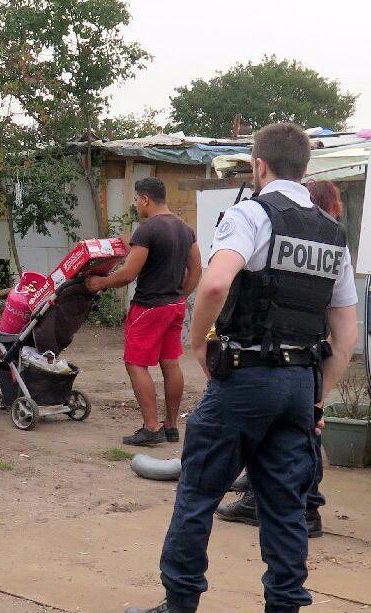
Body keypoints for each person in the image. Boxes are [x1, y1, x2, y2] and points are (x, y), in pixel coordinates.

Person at [127, 123, 358, 613]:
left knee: (198, 490)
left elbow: (213, 286)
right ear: (306, 168)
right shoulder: (333, 233)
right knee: (285, 504)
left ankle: (180, 602)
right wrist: (317, 397)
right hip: (300, 382)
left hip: (247, 376)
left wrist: (197, 344)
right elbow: (347, 335)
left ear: (260, 166)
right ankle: (285, 604)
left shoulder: (252, 214)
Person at [215, 179, 345, 537]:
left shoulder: (273, 225)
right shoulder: (332, 240)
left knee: (283, 435)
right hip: (311, 355)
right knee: (302, 435)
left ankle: (289, 505)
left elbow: (216, 285)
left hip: (285, 356)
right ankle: (300, 507)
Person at [85, 177, 202, 447]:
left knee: (135, 363)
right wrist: (181, 295)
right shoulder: (185, 228)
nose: (136, 205)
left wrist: (101, 282)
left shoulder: (148, 229)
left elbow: (128, 273)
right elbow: (195, 267)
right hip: (174, 307)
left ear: (145, 199)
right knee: (170, 363)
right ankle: (171, 427)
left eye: (137, 200)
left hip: (149, 306)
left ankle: (151, 427)